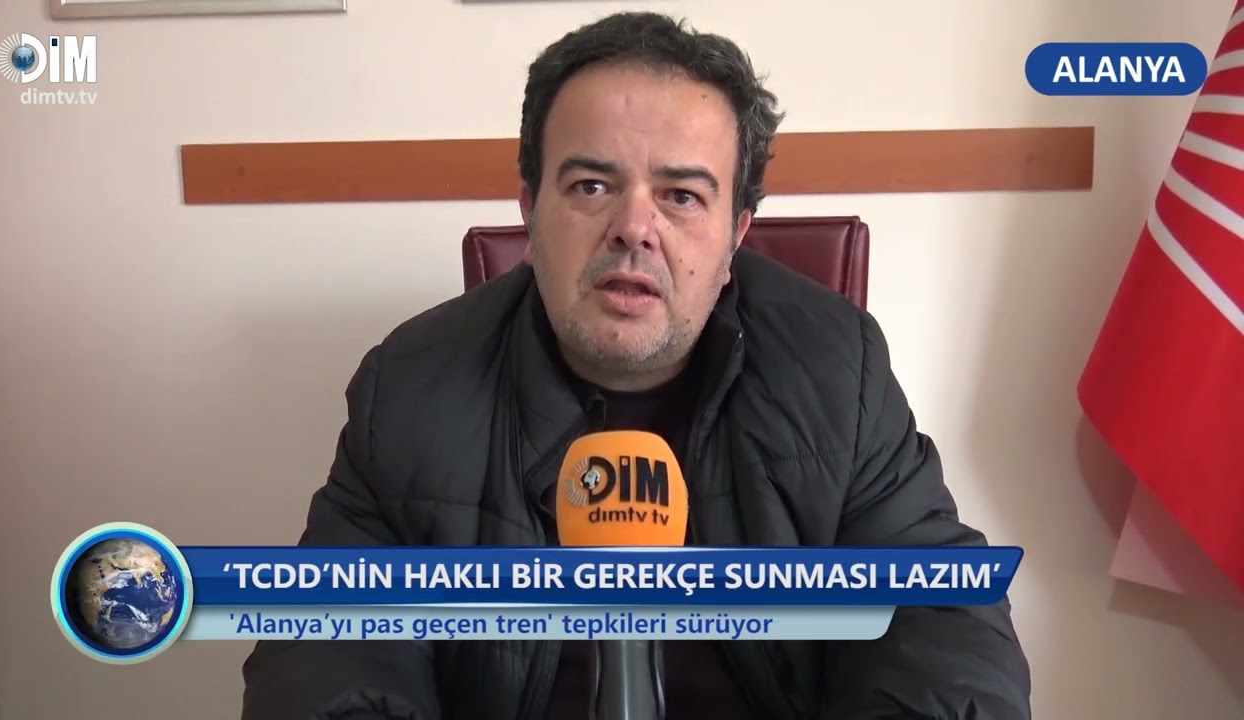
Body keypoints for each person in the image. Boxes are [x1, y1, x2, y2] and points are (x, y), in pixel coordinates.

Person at [241, 11, 1032, 720]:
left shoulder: (837, 371)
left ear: (736, 234)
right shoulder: (410, 389)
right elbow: (327, 650)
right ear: (530, 210)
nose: (634, 228)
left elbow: (941, 619)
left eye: (682, 196)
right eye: (592, 185)